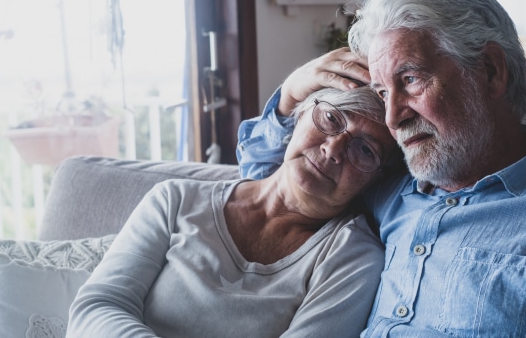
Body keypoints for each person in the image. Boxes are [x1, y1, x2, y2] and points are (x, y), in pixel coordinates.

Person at [237, 0, 526, 337]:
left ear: (490, 71)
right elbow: (270, 182)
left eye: (410, 80)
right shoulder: (386, 187)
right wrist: (288, 97)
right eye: (383, 93)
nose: (393, 117)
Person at [67, 86, 397, 338]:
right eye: (330, 119)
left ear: (376, 180)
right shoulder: (175, 200)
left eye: (365, 150)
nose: (332, 148)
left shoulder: (353, 258)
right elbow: (96, 308)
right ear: (299, 116)